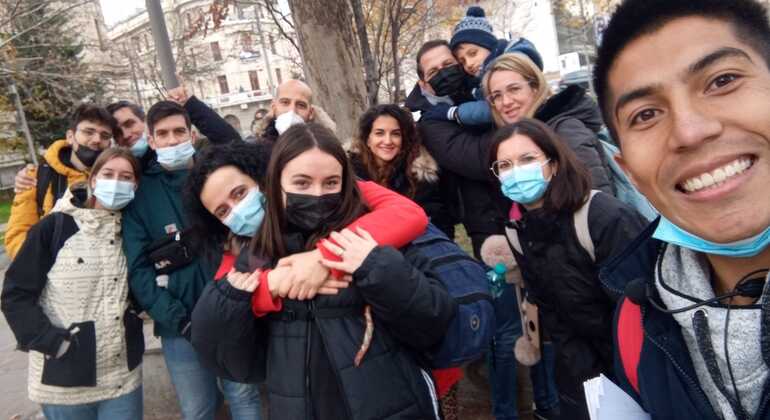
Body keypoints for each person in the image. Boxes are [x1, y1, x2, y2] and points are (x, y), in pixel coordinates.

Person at [194, 122, 456, 419]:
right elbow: (229, 356)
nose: (318, 195)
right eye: (302, 184)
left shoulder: (373, 232)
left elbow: (432, 321)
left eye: (331, 183)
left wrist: (368, 264)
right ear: (276, 182)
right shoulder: (259, 253)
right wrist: (268, 287)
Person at [593, 0, 770, 418]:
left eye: (722, 80)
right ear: (628, 172)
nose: (690, 131)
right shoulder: (638, 324)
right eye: (646, 114)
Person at [489, 118, 647, 419]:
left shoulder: (603, 216)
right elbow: (551, 312)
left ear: (554, 163)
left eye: (527, 159)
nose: (516, 172)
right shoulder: (518, 230)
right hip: (577, 376)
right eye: (505, 165)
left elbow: (643, 313)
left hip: (635, 371)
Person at [120, 101, 261, 420]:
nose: (172, 141)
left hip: (232, 315)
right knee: (197, 409)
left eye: (179, 132)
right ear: (151, 141)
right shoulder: (139, 196)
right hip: (178, 328)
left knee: (245, 397)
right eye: (163, 134)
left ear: (192, 133)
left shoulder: (215, 180)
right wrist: (177, 319)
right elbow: (138, 270)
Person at [1, 148, 145, 420]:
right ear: (92, 180)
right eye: (109, 174)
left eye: (126, 177)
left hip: (122, 379)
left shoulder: (132, 230)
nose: (117, 182)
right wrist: (53, 343)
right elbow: (15, 295)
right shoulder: (54, 227)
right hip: (63, 381)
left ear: (135, 185)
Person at [13, 86, 243, 202]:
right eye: (118, 131)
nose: (127, 133)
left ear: (145, 123)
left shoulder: (193, 151)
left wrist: (191, 105)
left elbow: (232, 144)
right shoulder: (128, 173)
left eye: (130, 123)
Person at [482, 53, 613, 195]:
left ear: (535, 87)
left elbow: (597, 201)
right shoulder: (521, 136)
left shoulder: (565, 130)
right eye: (497, 96)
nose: (506, 102)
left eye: (514, 89)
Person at [4, 104, 118, 259]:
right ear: (70, 136)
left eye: (105, 136)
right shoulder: (36, 177)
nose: (97, 140)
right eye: (88, 132)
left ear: (109, 144)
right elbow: (16, 237)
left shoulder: (115, 179)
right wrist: (53, 265)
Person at [421, 6, 544, 128]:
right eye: (462, 61)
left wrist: (453, 113)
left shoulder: (509, 64)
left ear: (489, 46)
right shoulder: (476, 81)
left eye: (473, 53)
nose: (469, 64)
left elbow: (493, 109)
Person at [349, 104, 455, 237]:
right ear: (367, 139)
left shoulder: (421, 176)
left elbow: (439, 225)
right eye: (379, 133)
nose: (387, 141)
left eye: (395, 134)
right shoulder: (348, 175)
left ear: (404, 139)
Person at [255, 79, 337, 145]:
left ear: (311, 113)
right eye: (285, 102)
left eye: (301, 105)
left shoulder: (327, 151)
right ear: (274, 107)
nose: (292, 111)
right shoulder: (257, 154)